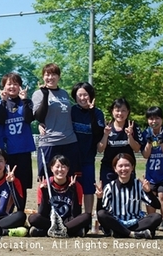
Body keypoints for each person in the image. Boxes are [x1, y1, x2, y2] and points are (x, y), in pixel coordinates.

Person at [95, 153, 162, 239]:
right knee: (102, 214)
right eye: (120, 166)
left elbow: (157, 206)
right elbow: (101, 213)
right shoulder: (110, 187)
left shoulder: (138, 185)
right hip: (117, 221)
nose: (124, 169)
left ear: (132, 167)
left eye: (127, 165)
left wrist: (149, 192)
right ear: (115, 169)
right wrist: (99, 198)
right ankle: (132, 233)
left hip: (135, 221)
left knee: (157, 217)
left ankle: (120, 232)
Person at [32, 63, 80, 178]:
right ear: (43, 76)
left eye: (54, 74)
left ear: (59, 77)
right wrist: (45, 95)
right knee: (46, 179)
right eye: (47, 74)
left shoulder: (64, 93)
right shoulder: (38, 94)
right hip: (49, 141)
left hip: (69, 140)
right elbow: (38, 116)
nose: (50, 77)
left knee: (71, 178)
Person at [0, 72, 35, 205]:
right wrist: (4, 102)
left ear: (20, 86)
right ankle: (6, 213)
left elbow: (29, 119)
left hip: (23, 149)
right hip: (6, 151)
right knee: (5, 182)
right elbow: (0, 120)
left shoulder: (26, 102)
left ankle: (21, 213)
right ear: (3, 87)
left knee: (21, 183)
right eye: (9, 84)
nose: (12, 87)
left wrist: (24, 100)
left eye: (15, 84)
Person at [28, 155, 90, 237]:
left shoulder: (76, 185)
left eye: (63, 167)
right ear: (51, 168)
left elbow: (76, 214)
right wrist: (44, 192)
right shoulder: (45, 184)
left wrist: (73, 191)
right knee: (33, 218)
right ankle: (69, 231)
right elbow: (42, 213)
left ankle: (48, 231)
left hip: (68, 221)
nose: (60, 170)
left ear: (68, 169)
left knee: (86, 216)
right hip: (50, 220)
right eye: (57, 167)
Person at [70, 82, 105, 214]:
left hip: (88, 157)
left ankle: (88, 217)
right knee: (73, 186)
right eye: (79, 95)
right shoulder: (72, 111)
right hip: (72, 157)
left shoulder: (97, 113)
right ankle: (74, 214)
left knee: (88, 188)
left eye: (85, 95)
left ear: (91, 96)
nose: (83, 98)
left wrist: (91, 112)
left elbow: (98, 133)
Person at [97, 98, 143, 188]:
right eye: (117, 110)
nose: (120, 114)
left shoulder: (133, 126)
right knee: (108, 194)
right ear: (112, 111)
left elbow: (137, 149)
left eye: (123, 111)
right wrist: (105, 135)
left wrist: (130, 136)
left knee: (127, 196)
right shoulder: (106, 126)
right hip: (109, 168)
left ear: (128, 112)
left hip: (126, 167)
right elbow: (100, 149)